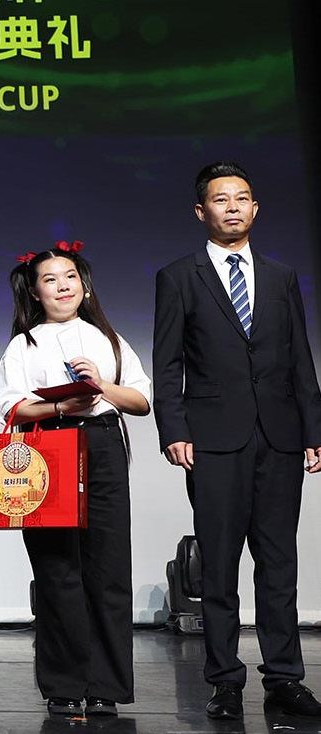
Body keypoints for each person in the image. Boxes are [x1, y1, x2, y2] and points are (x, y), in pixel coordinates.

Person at [153, 162, 321, 720]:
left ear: (255, 208)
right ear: (201, 211)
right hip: (213, 440)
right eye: (221, 199)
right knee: (219, 566)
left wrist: (313, 429)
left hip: (280, 437)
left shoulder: (281, 276)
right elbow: (167, 361)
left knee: (278, 562)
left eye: (242, 198)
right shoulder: (179, 276)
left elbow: (300, 358)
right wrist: (174, 430)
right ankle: (224, 680)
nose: (233, 207)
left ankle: (285, 678)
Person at [0, 243, 152, 717]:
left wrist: (101, 386)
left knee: (108, 567)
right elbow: (11, 407)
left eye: (70, 277)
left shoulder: (108, 338)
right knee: (56, 568)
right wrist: (62, 405)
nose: (62, 286)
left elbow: (141, 401)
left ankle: (106, 685)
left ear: (84, 285)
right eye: (50, 279)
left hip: (103, 445)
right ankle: (64, 684)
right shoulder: (24, 344)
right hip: (50, 448)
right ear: (34, 292)